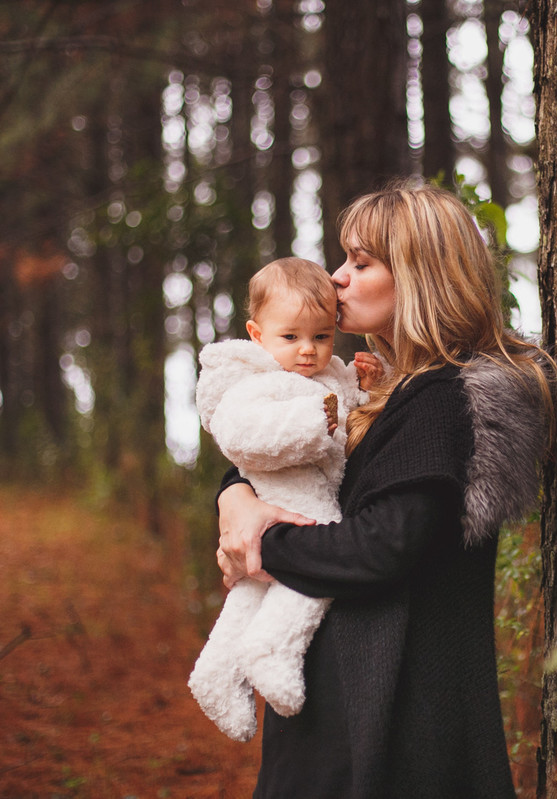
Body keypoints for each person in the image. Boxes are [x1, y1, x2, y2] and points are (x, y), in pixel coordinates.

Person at [215, 182, 555, 799]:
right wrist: (235, 494)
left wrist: (266, 540)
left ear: (420, 277)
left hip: (395, 715)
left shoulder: (442, 400)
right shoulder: (394, 394)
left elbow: (383, 545)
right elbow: (296, 464)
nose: (337, 279)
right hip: (354, 700)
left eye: (361, 262)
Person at [188, 257, 379, 742]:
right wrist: (313, 425)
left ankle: (216, 671)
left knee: (251, 591)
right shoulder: (251, 379)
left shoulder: (327, 374)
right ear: (256, 333)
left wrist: (366, 386)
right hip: (292, 498)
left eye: (321, 336)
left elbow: (351, 411)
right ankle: (274, 648)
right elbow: (241, 434)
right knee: (314, 568)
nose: (308, 351)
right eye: (290, 337)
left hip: (298, 495)